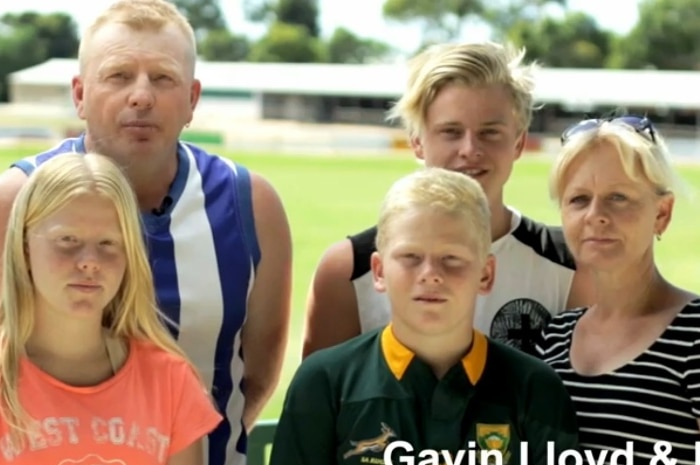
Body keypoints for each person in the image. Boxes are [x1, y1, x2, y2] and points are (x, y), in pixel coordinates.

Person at [0, 1, 292, 464]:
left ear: (193, 99)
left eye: (163, 78)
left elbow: (256, 375)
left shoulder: (250, 205)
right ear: (79, 94)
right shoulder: (15, 201)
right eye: (118, 76)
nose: (141, 96)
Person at [303, 41, 593, 359]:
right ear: (416, 142)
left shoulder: (572, 265)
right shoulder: (346, 270)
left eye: (490, 132)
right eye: (451, 132)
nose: (469, 149)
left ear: (519, 142)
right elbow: (321, 400)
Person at [271, 167, 580, 465]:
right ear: (378, 272)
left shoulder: (535, 389)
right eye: (411, 257)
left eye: (452, 259)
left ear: (486, 274)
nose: (431, 275)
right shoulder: (325, 382)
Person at [0, 152, 223, 464]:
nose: (89, 261)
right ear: (25, 246)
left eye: (108, 243)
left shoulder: (169, 380)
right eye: (67, 239)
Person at [535, 115, 700, 464]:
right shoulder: (553, 336)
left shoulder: (693, 335)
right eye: (578, 199)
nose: (596, 215)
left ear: (662, 213)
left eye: (619, 197)